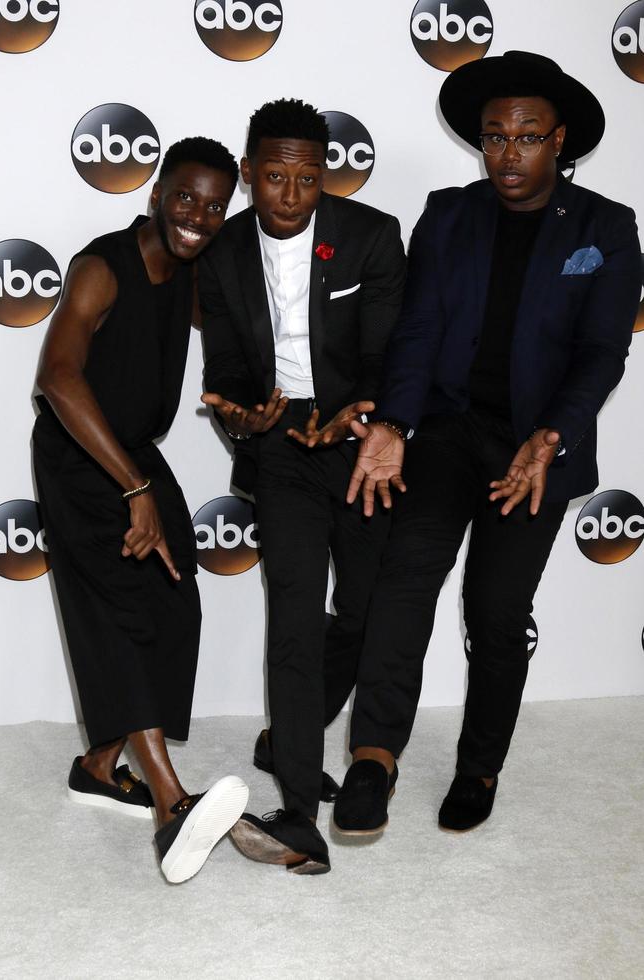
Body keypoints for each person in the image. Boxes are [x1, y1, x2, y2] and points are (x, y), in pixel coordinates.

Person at [336, 51, 641, 836]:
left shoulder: (606, 227)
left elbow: (603, 351)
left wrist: (552, 434)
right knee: (406, 578)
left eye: (528, 136)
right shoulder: (448, 214)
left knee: (497, 610)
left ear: (560, 141)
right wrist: (395, 425)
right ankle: (373, 757)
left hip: (533, 450)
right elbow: (420, 329)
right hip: (447, 430)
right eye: (495, 137)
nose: (508, 153)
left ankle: (480, 766)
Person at [33, 137, 249, 884]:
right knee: (121, 607)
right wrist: (134, 491)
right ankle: (169, 803)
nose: (199, 215)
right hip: (77, 451)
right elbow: (58, 380)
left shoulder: (190, 271)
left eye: (216, 205)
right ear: (156, 192)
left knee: (174, 597)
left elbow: (231, 334)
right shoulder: (102, 268)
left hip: (129, 454)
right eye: (186, 197)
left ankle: (98, 765)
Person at [199, 99, 405, 874]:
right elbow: (223, 371)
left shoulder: (371, 236)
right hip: (282, 446)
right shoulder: (219, 254)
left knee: (359, 607)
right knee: (292, 616)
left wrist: (368, 416)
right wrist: (248, 423)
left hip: (356, 441)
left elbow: (394, 355)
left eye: (308, 179)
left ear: (328, 176)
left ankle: (294, 729)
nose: (290, 197)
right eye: (275, 177)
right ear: (250, 173)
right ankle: (296, 809)